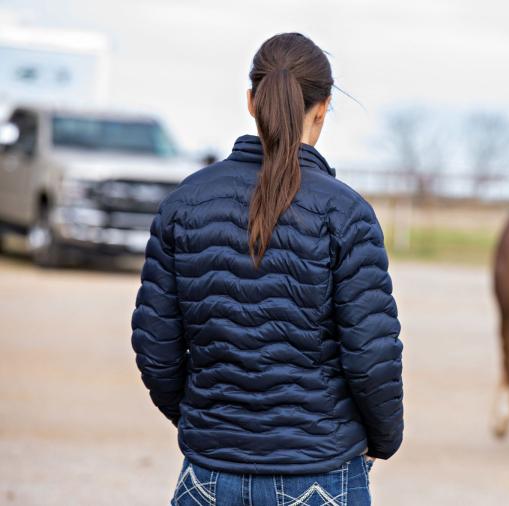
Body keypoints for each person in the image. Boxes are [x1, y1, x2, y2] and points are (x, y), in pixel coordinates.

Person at [131, 33, 403, 505]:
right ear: (323, 108)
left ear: (252, 101)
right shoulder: (346, 213)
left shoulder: (182, 205)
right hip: (320, 472)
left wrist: (208, 425)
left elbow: (157, 351)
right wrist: (382, 439)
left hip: (208, 474)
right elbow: (371, 357)